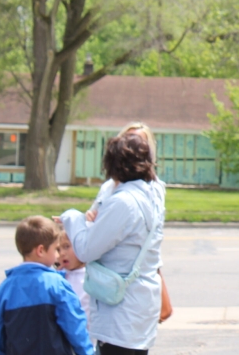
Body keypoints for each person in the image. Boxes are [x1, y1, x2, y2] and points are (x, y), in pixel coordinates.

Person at [60, 133, 165, 355]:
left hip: (121, 312)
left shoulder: (122, 202)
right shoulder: (153, 196)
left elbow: (86, 250)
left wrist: (72, 217)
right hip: (143, 306)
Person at [0, 216, 93, 355]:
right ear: (41, 250)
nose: (58, 255)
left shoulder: (4, 289)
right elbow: (75, 328)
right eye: (55, 249)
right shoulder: (57, 285)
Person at [59, 230, 90, 326]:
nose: (62, 253)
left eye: (66, 246)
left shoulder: (89, 277)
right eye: (58, 249)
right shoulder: (59, 277)